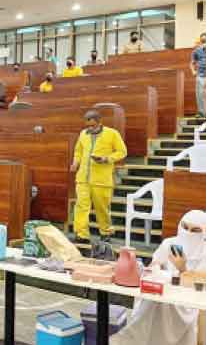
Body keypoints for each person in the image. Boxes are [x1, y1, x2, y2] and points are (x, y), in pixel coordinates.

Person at [110, 210, 206, 345]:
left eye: (195, 230)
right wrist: (155, 268)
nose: (188, 233)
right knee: (154, 301)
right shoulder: (170, 243)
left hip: (188, 301)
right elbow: (154, 265)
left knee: (165, 305)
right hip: (162, 292)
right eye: (185, 227)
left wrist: (182, 268)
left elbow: (199, 285)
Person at [70, 110, 127, 243]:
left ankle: (105, 232)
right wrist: (75, 163)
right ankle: (81, 235)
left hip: (101, 180)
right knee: (81, 206)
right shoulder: (83, 134)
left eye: (93, 125)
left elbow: (122, 152)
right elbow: (78, 151)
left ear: (100, 122)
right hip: (83, 178)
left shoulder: (112, 133)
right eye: (88, 126)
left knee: (102, 208)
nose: (90, 128)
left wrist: (107, 159)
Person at [191, 32, 206, 117]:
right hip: (200, 75)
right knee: (199, 93)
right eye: (203, 41)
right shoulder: (196, 51)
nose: (204, 43)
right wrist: (193, 71)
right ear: (201, 41)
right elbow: (192, 63)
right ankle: (201, 113)